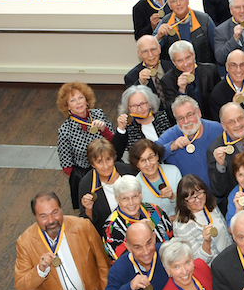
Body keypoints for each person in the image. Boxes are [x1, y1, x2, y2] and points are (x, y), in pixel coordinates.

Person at [56, 81, 113, 209]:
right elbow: (66, 165)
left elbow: (115, 144)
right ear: (67, 106)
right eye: (73, 100)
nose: (78, 102)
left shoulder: (99, 115)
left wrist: (104, 130)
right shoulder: (65, 130)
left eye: (81, 97)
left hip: (108, 167)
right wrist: (84, 182)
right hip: (86, 175)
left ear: (87, 100)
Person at [206, 102, 244, 206]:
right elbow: (218, 191)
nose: (238, 124)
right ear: (223, 125)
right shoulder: (215, 150)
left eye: (240, 118)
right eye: (231, 122)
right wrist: (220, 166)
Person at [157, 95, 223, 187]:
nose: (186, 121)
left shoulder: (218, 129)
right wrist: (171, 146)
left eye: (189, 115)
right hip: (191, 197)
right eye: (180, 118)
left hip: (221, 192)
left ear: (198, 113)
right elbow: (151, 155)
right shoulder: (171, 135)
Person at [103, 175, 173, 260]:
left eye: (135, 196)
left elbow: (172, 238)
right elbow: (126, 261)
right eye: (125, 198)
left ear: (140, 195)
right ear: (117, 199)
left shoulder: (154, 211)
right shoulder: (111, 228)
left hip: (169, 262)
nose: (131, 202)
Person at [172, 174, 233, 264]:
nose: (198, 200)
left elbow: (227, 235)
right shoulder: (181, 226)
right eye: (191, 198)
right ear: (183, 201)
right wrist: (206, 242)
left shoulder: (211, 206)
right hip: (213, 271)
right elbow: (197, 262)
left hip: (231, 258)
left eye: (200, 194)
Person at [79, 138, 133, 235]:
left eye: (108, 159)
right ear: (92, 164)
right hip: (111, 235)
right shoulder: (87, 184)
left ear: (113, 157)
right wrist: (88, 209)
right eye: (99, 162)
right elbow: (86, 223)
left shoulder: (128, 171)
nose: (105, 166)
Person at [160, 40, 219, 122]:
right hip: (188, 124)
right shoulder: (167, 80)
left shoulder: (210, 70)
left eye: (188, 58)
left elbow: (219, 100)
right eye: (180, 61)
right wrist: (181, 91)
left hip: (213, 121)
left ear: (193, 54)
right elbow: (171, 114)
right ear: (173, 62)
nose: (185, 64)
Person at [154, 0, 215, 66]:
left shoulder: (204, 20)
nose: (178, 3)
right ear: (170, 5)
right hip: (175, 73)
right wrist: (158, 36)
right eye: (174, 1)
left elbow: (216, 48)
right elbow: (151, 47)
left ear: (187, 0)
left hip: (203, 72)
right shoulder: (165, 22)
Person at [112, 85, 172, 160]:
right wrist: (121, 129)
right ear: (128, 108)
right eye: (134, 106)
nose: (139, 109)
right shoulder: (128, 127)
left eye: (143, 104)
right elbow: (115, 156)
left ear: (150, 103)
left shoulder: (164, 117)